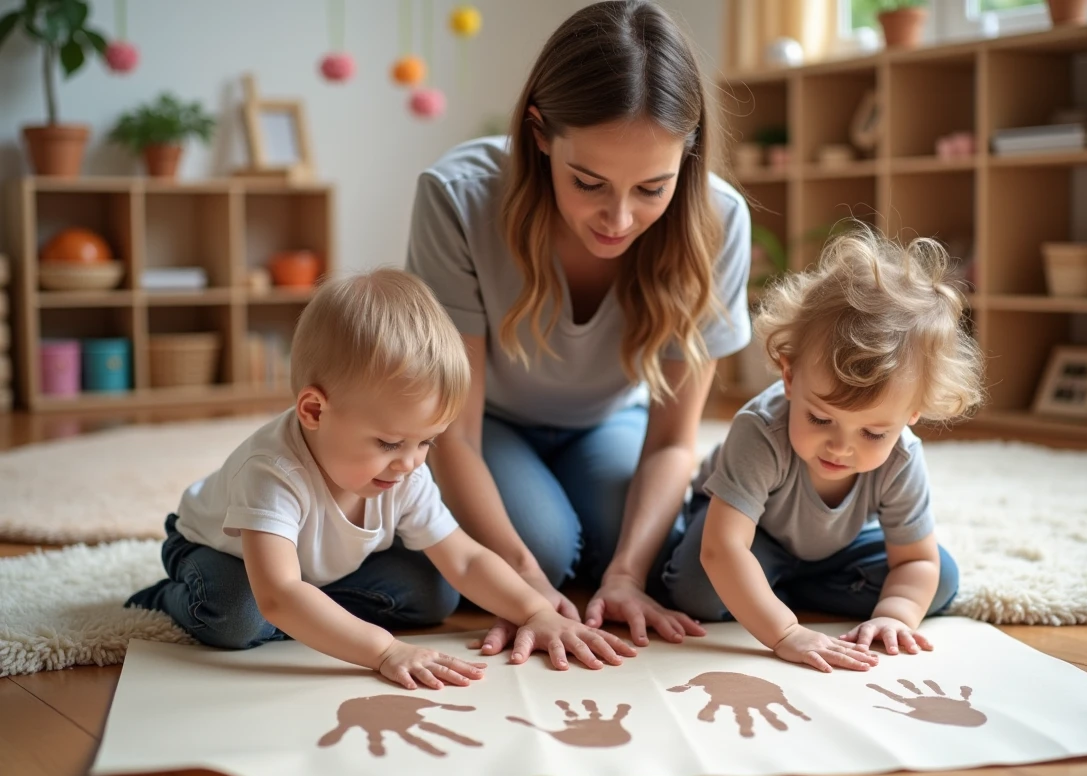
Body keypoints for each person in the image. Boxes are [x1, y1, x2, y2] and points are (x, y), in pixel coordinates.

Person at [407, 0, 751, 653]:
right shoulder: (457, 197)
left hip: (608, 422)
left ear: (689, 153)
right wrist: (525, 585)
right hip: (486, 426)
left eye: (652, 188)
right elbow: (452, 434)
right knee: (545, 545)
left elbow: (675, 442)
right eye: (588, 182)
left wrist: (625, 572)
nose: (618, 218)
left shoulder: (720, 220)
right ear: (539, 134)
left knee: (649, 553)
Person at [126, 269, 635, 689]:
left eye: (427, 441)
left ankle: (320, 618)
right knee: (236, 615)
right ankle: (170, 596)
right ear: (313, 411)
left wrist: (534, 610)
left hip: (310, 574)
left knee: (435, 590)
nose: (411, 462)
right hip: (222, 558)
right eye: (390, 443)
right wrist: (382, 648)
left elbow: (465, 556)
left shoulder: (406, 468)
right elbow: (278, 592)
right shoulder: (272, 472)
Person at [662, 225, 985, 673]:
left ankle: (773, 590)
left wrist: (894, 616)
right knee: (697, 587)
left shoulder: (902, 456)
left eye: (873, 433)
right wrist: (785, 632)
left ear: (913, 412)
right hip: (752, 535)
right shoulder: (761, 431)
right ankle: (766, 591)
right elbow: (723, 548)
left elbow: (915, 560)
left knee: (941, 578)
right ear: (789, 377)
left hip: (836, 548)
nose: (841, 445)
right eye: (820, 418)